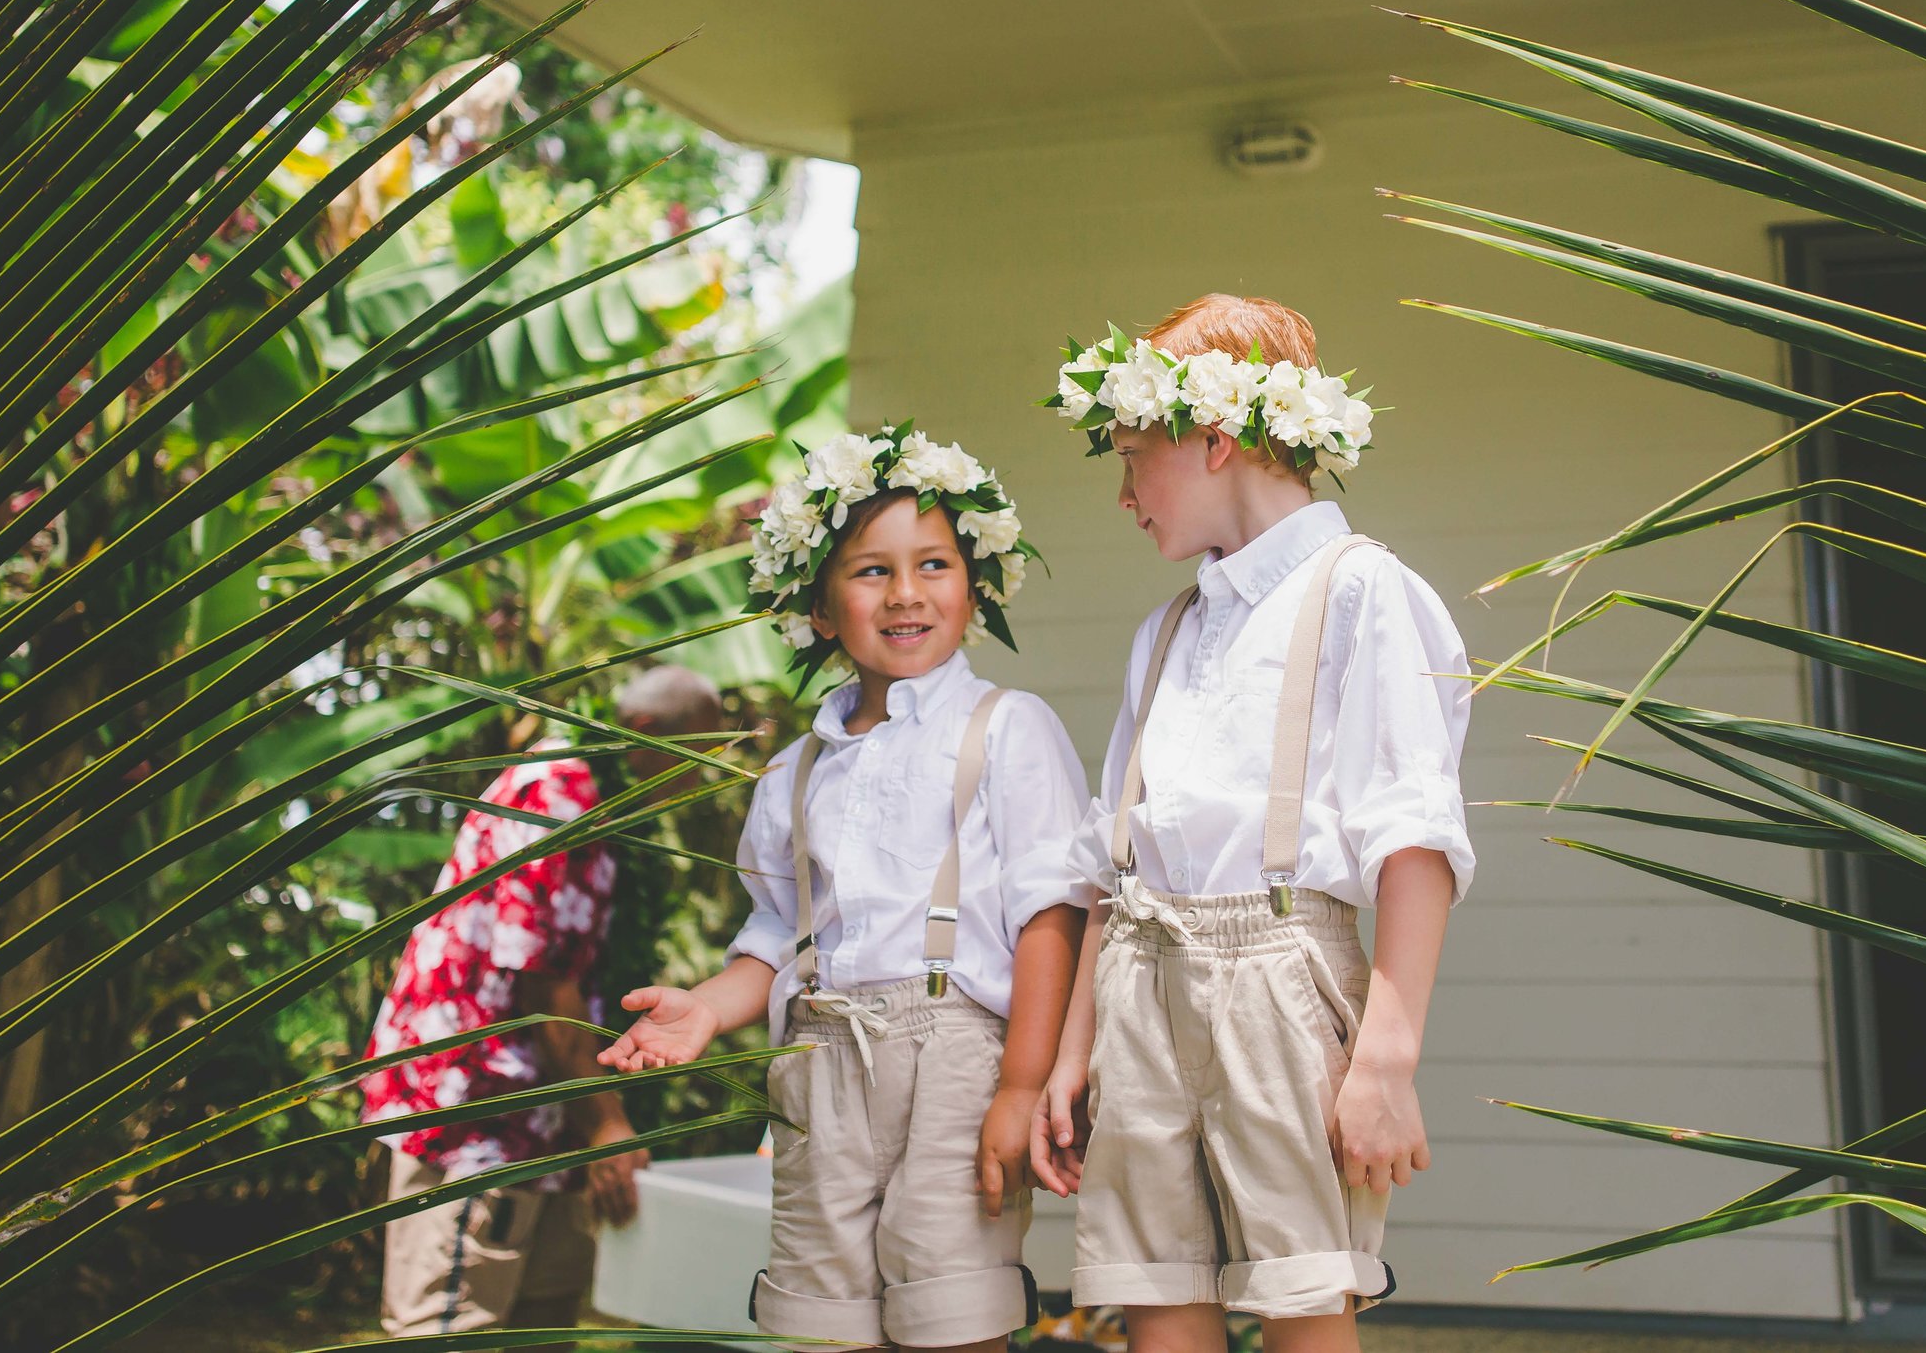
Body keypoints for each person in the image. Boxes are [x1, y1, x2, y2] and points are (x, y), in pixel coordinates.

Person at [1032, 294, 1474, 1352]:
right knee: (1154, 1285)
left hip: (1280, 974)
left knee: (1301, 1289)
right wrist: (1070, 1052)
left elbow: (1412, 836)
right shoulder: (1169, 627)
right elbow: (1118, 854)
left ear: (1217, 439)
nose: (1123, 490)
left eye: (1134, 454)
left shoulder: (1360, 589)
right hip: (1142, 970)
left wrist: (1384, 1059)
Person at [599, 425, 1089, 1353]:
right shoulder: (796, 770)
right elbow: (778, 933)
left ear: (974, 584)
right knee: (820, 1319)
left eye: (934, 564)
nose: (906, 593)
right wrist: (705, 1008)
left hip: (958, 1059)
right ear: (820, 607)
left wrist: (1022, 1086)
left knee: (953, 1314)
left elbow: (1050, 918)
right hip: (819, 1063)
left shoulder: (1008, 730)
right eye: (871, 571)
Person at [363, 664, 726, 1346]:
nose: (696, 780)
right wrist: (609, 1122)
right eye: (694, 757)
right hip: (476, 1111)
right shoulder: (553, 793)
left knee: (540, 1324)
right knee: (448, 1326)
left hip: (548, 1112)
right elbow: (542, 985)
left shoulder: (606, 808)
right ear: (645, 733)